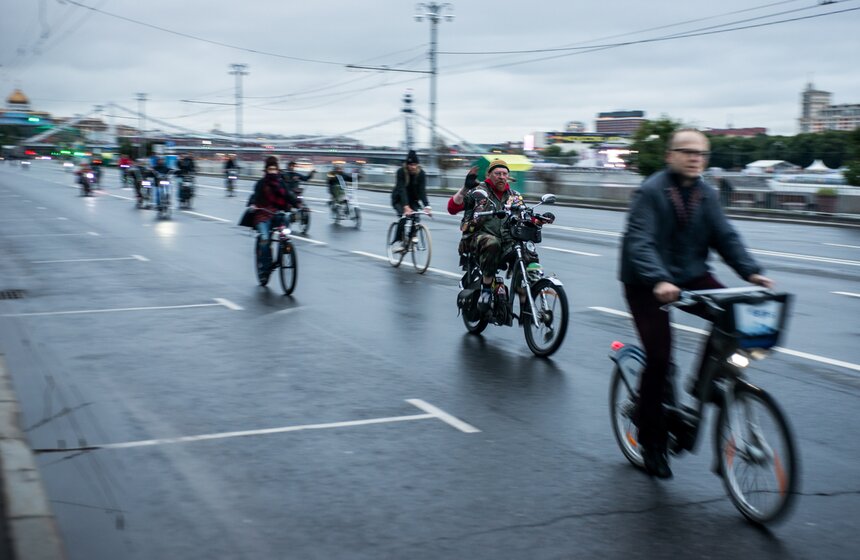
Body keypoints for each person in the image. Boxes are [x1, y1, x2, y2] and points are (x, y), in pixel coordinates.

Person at [619, 128, 773, 479]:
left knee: (732, 316)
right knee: (659, 357)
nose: (694, 158)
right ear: (670, 155)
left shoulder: (706, 194)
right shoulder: (650, 192)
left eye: (701, 154)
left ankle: (700, 385)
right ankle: (652, 441)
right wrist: (659, 279)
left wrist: (752, 273)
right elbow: (640, 243)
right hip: (646, 282)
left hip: (689, 274)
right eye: (686, 151)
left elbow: (725, 236)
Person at [461, 159, 525, 312]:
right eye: (497, 173)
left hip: (506, 240)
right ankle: (486, 290)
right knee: (492, 243)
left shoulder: (514, 195)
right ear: (489, 175)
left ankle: (525, 296)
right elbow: (466, 201)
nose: (501, 177)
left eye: (504, 173)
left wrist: (537, 219)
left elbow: (523, 213)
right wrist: (470, 193)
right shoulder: (480, 191)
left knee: (524, 250)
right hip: (478, 237)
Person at [247, 156, 301, 279]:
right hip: (263, 214)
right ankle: (265, 268)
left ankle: (285, 245)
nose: (273, 171)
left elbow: (289, 195)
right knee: (265, 239)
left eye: (275, 169)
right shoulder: (261, 183)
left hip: (276, 213)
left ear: (277, 169)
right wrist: (253, 205)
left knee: (286, 219)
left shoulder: (281, 183)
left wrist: (298, 205)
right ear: (266, 170)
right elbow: (254, 196)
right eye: (270, 169)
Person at [390, 150, 431, 249]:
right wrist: (406, 206)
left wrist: (427, 206)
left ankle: (412, 236)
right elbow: (402, 189)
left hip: (413, 200)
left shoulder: (421, 174)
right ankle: (399, 241)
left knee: (416, 217)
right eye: (410, 164)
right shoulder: (401, 172)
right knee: (404, 218)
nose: (413, 166)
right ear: (407, 164)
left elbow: (422, 191)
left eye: (415, 164)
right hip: (399, 199)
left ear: (417, 164)